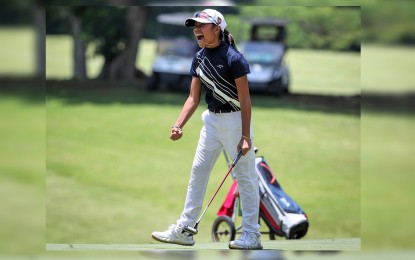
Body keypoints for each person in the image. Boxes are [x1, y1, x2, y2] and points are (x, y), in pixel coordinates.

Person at [151, 9, 262, 250]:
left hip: (236, 122)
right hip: (211, 121)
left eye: (202, 25)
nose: (197, 30)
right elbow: (193, 98)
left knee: (245, 178)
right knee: (198, 171)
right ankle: (185, 229)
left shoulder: (234, 58)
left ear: (217, 28)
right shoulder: (199, 58)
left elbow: (245, 101)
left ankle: (252, 234)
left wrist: (245, 136)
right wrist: (178, 124)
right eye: (195, 26)